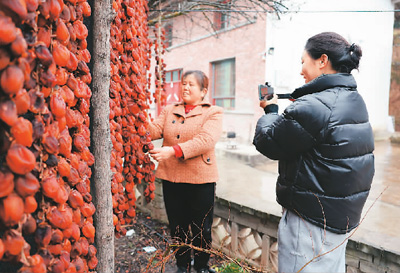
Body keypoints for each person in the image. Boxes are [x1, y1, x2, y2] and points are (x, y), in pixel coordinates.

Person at [253, 32, 375, 272]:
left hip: (310, 222)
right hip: (340, 220)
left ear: (322, 60)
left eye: (303, 62)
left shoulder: (314, 106)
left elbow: (268, 142)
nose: (301, 70)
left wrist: (271, 111)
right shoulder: (354, 99)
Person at [149, 70, 223, 273]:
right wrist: (137, 121)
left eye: (191, 84)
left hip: (201, 180)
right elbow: (154, 130)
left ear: (203, 91)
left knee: (201, 229)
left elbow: (205, 140)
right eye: (183, 83)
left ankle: (201, 267)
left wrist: (172, 151)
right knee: (178, 227)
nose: (185, 87)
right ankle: (182, 266)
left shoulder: (213, 112)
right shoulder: (169, 109)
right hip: (172, 178)